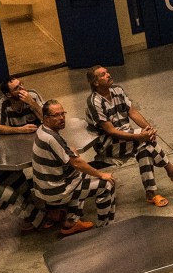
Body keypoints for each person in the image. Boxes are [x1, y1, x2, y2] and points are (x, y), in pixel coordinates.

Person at [85, 66, 173, 207]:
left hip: (127, 137)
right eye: (103, 74)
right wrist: (140, 136)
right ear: (95, 82)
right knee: (143, 142)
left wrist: (148, 129)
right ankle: (171, 170)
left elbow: (132, 112)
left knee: (144, 147)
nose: (108, 75)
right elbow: (111, 131)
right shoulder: (94, 102)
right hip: (108, 144)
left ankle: (152, 194)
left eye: (107, 72)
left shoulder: (117, 90)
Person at [32, 99, 117, 236]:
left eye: (62, 113)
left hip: (43, 187)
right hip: (56, 191)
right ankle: (105, 228)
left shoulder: (42, 130)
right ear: (46, 118)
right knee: (107, 185)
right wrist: (101, 175)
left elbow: (66, 155)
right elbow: (77, 163)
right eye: (56, 115)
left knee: (82, 176)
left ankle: (71, 222)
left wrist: (68, 152)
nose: (61, 118)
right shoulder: (52, 138)